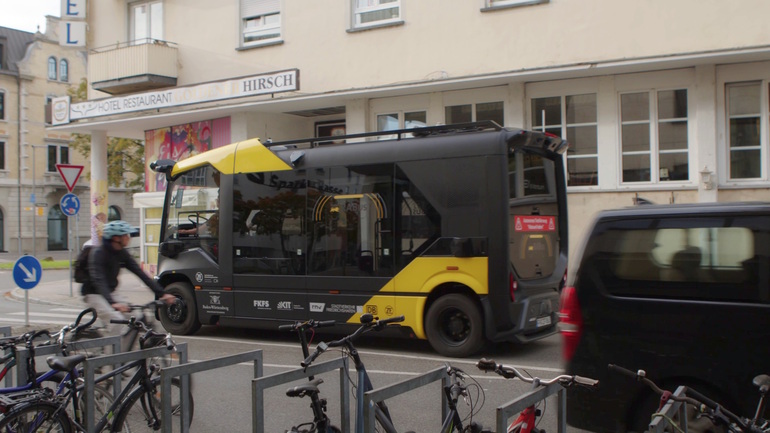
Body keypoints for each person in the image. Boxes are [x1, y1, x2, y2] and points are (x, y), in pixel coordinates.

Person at [81, 220, 175, 348]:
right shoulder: (98, 253)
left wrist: (162, 294)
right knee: (117, 322)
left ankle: (123, 353)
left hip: (110, 293)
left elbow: (140, 274)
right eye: (126, 235)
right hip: (93, 293)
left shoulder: (121, 252)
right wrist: (113, 303)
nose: (129, 238)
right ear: (116, 238)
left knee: (137, 317)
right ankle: (110, 362)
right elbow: (99, 280)